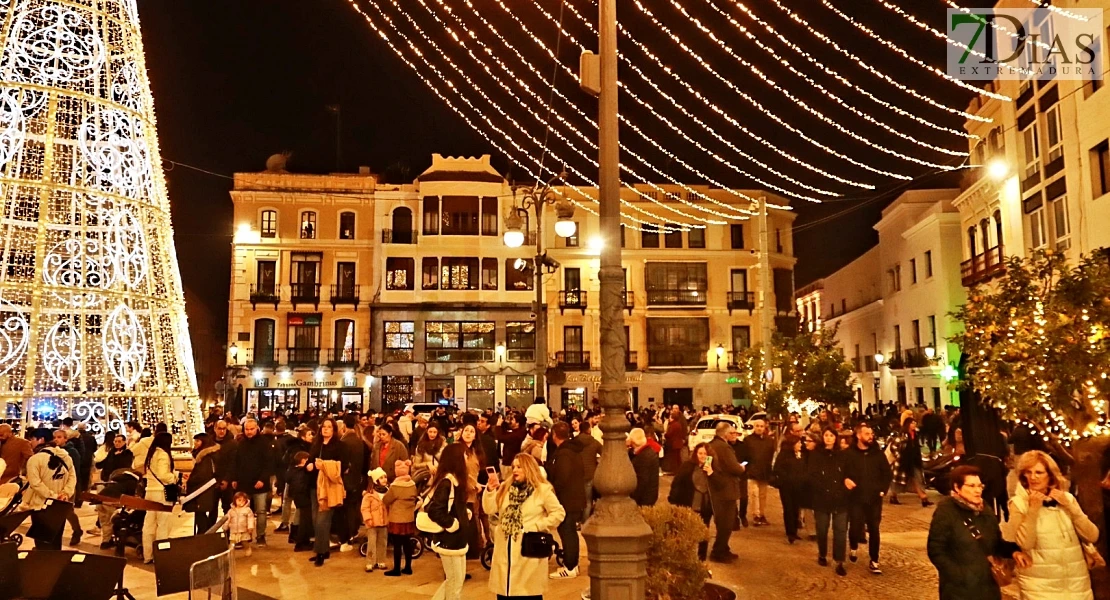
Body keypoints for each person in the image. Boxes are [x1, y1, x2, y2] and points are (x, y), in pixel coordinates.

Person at [928, 465, 1032, 600]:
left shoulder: (985, 509)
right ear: (957, 487)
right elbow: (936, 550)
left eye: (979, 486)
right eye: (971, 486)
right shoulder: (946, 511)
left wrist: (1014, 552)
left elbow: (995, 543)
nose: (977, 490)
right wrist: (958, 575)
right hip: (959, 591)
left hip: (988, 587)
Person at [1008, 450, 1099, 599]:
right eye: (1028, 472)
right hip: (1039, 585)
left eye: (1039, 472)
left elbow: (1092, 535)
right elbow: (1026, 543)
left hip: (1076, 582)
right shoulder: (1018, 503)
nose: (1033, 477)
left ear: (1050, 475)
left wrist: (1072, 508)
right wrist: (1033, 510)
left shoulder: (1067, 499)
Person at [484, 453, 566, 599]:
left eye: (519, 467)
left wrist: (537, 526)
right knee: (505, 591)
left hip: (528, 550)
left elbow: (559, 513)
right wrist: (490, 491)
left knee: (527, 592)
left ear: (528, 468)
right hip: (505, 548)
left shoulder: (542, 490)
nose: (515, 470)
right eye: (513, 467)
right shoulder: (505, 488)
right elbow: (489, 509)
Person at [424, 443, 472, 600]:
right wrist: (452, 523)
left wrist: (463, 514)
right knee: (455, 581)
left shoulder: (456, 481)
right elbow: (435, 510)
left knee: (456, 579)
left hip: (457, 539)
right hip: (449, 540)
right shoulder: (447, 482)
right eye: (464, 455)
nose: (467, 458)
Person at [844, 423, 893, 574]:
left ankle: (874, 560)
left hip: (874, 498)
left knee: (874, 529)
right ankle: (853, 546)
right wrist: (846, 480)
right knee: (855, 526)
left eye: (871, 434)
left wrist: (882, 490)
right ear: (858, 436)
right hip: (856, 497)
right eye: (867, 434)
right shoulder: (849, 454)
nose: (870, 436)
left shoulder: (877, 454)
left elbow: (887, 473)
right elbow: (842, 472)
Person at [22, 429, 76, 550]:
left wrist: (52, 495)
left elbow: (35, 483)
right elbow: (72, 478)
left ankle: (44, 561)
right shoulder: (66, 456)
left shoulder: (35, 459)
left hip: (40, 506)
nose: (30, 442)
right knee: (56, 541)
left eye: (32, 439)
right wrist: (65, 493)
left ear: (41, 440)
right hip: (60, 505)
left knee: (42, 543)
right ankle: (55, 561)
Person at [307, 417, 348, 566]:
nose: (325, 429)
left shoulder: (339, 446)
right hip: (314, 486)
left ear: (334, 430)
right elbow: (310, 460)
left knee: (322, 521)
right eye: (324, 426)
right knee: (315, 520)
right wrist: (309, 465)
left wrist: (323, 466)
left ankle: (320, 552)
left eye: (329, 427)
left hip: (329, 487)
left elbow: (342, 466)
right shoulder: (316, 444)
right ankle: (324, 549)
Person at [546, 421, 585, 579]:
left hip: (567, 499)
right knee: (569, 532)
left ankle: (570, 566)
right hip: (575, 497)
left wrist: (552, 490)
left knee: (567, 532)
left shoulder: (564, 454)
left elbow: (562, 477)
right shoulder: (573, 450)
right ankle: (572, 564)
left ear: (554, 435)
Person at [809, 427, 849, 576]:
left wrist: (844, 488)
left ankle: (839, 561)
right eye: (826, 435)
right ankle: (822, 553)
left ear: (835, 438)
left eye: (831, 435)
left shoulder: (842, 455)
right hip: (822, 498)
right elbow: (812, 474)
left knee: (840, 530)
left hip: (840, 498)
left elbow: (847, 473)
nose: (829, 438)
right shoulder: (816, 454)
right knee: (822, 528)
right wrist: (820, 488)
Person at [669, 442, 716, 560]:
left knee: (704, 531)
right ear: (696, 454)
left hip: (705, 506)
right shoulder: (688, 466)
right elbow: (677, 483)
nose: (702, 456)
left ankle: (701, 558)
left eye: (705, 453)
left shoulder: (714, 467)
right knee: (686, 531)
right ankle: (686, 556)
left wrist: (711, 473)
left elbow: (719, 486)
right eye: (700, 453)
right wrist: (673, 499)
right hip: (689, 503)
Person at [707, 422, 745, 563]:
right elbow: (733, 467)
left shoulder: (711, 445)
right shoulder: (724, 447)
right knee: (726, 523)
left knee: (723, 521)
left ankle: (723, 548)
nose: (734, 435)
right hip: (726, 488)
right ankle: (719, 551)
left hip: (716, 488)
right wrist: (741, 468)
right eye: (732, 433)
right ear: (725, 434)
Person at [231, 418, 272, 547]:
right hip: (244, 483)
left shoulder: (264, 443)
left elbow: (269, 463)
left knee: (261, 511)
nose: (249, 432)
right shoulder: (241, 443)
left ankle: (261, 536)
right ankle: (243, 537)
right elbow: (236, 462)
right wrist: (234, 478)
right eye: (247, 429)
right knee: (241, 512)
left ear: (257, 429)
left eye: (251, 429)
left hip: (260, 483)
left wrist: (263, 479)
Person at [142, 432, 177, 563]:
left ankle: (148, 555)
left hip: (149, 491)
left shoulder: (151, 454)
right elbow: (163, 475)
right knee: (163, 524)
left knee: (149, 525)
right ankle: (161, 555)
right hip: (161, 493)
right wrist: (175, 476)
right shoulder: (163, 454)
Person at [383, 459, 419, 576]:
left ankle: (397, 569)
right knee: (407, 543)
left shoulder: (395, 487)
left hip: (397, 519)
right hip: (409, 518)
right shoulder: (412, 485)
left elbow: (386, 500)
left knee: (397, 545)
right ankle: (408, 567)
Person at [771, 435, 806, 544]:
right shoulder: (784, 455)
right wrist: (787, 478)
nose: (800, 445)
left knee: (796, 509)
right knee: (788, 509)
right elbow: (777, 469)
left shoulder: (800, 455)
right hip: (786, 486)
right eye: (798, 443)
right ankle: (790, 532)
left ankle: (794, 531)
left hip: (798, 486)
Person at [744, 418, 776, 527]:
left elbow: (771, 456)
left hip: (764, 471)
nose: (759, 428)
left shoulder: (769, 441)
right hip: (752, 472)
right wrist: (745, 467)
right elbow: (744, 456)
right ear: (754, 427)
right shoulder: (748, 440)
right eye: (757, 426)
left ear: (765, 427)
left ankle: (762, 514)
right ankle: (756, 515)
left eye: (761, 426)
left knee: (763, 495)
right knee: (754, 494)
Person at [186, 433, 219, 536]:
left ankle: (204, 535)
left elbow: (203, 474)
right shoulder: (202, 455)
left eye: (198, 441)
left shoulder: (206, 457)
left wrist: (191, 480)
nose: (195, 443)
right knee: (200, 514)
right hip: (204, 489)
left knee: (201, 514)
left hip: (203, 489)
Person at [361, 467, 390, 573]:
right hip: (372, 523)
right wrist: (368, 519)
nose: (384, 479)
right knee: (371, 544)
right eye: (381, 478)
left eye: (385, 477)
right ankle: (370, 562)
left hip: (383, 523)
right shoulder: (369, 495)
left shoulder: (388, 492)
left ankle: (381, 561)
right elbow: (365, 508)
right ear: (376, 480)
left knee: (382, 543)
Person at [573, 420, 601, 520]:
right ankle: (585, 522)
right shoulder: (594, 442)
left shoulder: (574, 442)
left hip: (576, 474)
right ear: (589, 429)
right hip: (590, 473)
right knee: (588, 501)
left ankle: (576, 520)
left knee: (576, 499)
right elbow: (604, 452)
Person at [627, 428, 660, 507]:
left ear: (633, 442)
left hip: (644, 499)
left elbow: (641, 482)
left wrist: (632, 499)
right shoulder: (647, 452)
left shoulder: (643, 458)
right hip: (649, 496)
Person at [225, 491, 256, 556]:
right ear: (235, 500)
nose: (241, 502)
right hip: (233, 530)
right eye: (239, 500)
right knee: (232, 543)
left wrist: (250, 527)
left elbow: (250, 519)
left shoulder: (247, 510)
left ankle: (247, 548)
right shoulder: (231, 511)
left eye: (243, 500)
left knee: (244, 542)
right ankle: (230, 553)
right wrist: (225, 526)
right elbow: (227, 519)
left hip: (243, 530)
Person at [662, 406, 687, 474]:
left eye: (670, 417)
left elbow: (669, 434)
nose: (669, 418)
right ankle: (679, 470)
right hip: (678, 443)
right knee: (678, 458)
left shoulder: (673, 425)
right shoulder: (678, 424)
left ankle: (675, 471)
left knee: (675, 459)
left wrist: (665, 434)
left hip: (674, 443)